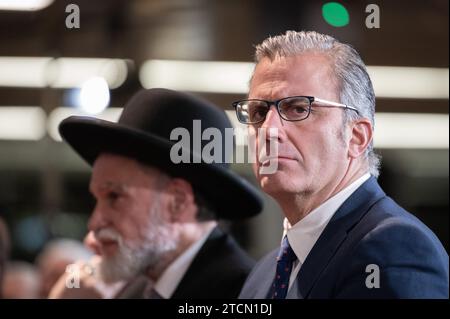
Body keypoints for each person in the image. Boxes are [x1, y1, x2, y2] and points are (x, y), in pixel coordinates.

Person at [235, 30, 449, 298]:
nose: (268, 130)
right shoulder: (262, 275)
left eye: (298, 108)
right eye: (259, 112)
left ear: (357, 137)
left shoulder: (393, 249)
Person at [51, 88, 262, 299]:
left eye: (114, 196)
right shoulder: (133, 290)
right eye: (97, 200)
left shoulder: (249, 294)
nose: (94, 224)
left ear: (178, 202)